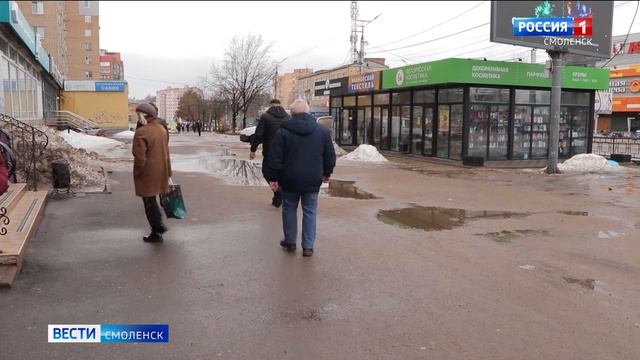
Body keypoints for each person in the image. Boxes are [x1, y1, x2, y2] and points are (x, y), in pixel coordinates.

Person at [266, 99, 336, 257]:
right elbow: (329, 156)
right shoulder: (322, 131)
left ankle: (290, 242)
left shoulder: (283, 132)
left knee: (289, 208)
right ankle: (308, 247)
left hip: (289, 179)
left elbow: (275, 157)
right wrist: (327, 173)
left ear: (291, 114)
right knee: (310, 211)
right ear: (308, 112)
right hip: (312, 178)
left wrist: (274, 178)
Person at [132, 103, 172, 243]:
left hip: (148, 171)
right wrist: (169, 170)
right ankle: (158, 227)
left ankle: (157, 230)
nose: (136, 116)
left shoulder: (142, 132)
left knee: (149, 202)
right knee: (153, 200)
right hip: (161, 168)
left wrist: (137, 173)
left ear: (143, 115)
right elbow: (166, 150)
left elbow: (140, 157)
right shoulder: (161, 129)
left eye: (138, 114)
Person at [250, 99, 291, 207]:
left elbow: (258, 135)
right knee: (281, 174)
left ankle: (278, 192)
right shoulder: (288, 117)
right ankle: (278, 197)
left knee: (266, 172)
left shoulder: (265, 117)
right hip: (285, 152)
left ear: (270, 105)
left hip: (269, 152)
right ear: (280, 105)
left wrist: (253, 149)